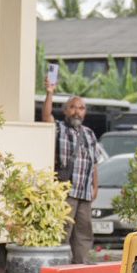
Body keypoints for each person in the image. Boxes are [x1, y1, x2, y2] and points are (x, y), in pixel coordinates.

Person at [42, 80, 100, 263]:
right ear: (66, 111)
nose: (77, 111)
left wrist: (95, 186)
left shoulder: (89, 133)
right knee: (62, 232)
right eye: (73, 107)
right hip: (66, 192)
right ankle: (58, 268)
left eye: (81, 108)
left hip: (84, 193)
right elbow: (46, 117)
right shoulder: (59, 128)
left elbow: (94, 163)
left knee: (84, 235)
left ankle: (79, 269)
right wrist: (50, 92)